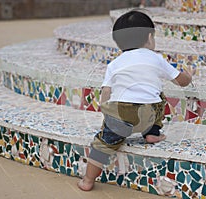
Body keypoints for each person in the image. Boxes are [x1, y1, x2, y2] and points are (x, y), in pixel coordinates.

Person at [78, 10, 195, 191]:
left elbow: (106, 92)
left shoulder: (114, 64)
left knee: (101, 145)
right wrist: (188, 75)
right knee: (158, 96)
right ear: (150, 37)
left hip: (120, 114)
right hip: (148, 114)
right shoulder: (156, 59)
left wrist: (107, 114)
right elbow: (181, 82)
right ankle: (152, 132)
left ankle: (87, 180)